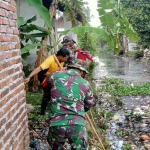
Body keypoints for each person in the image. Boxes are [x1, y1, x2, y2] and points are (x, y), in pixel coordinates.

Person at [47, 59, 95, 150]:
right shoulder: (85, 83)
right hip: (77, 124)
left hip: (56, 123)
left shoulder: (55, 76)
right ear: (81, 71)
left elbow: (48, 84)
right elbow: (89, 104)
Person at [24, 47, 70, 115]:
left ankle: (55, 107)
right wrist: (29, 77)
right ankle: (43, 112)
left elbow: (58, 70)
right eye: (65, 58)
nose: (65, 60)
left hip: (54, 76)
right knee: (47, 94)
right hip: (45, 77)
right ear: (60, 56)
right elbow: (39, 69)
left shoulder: (61, 61)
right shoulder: (50, 60)